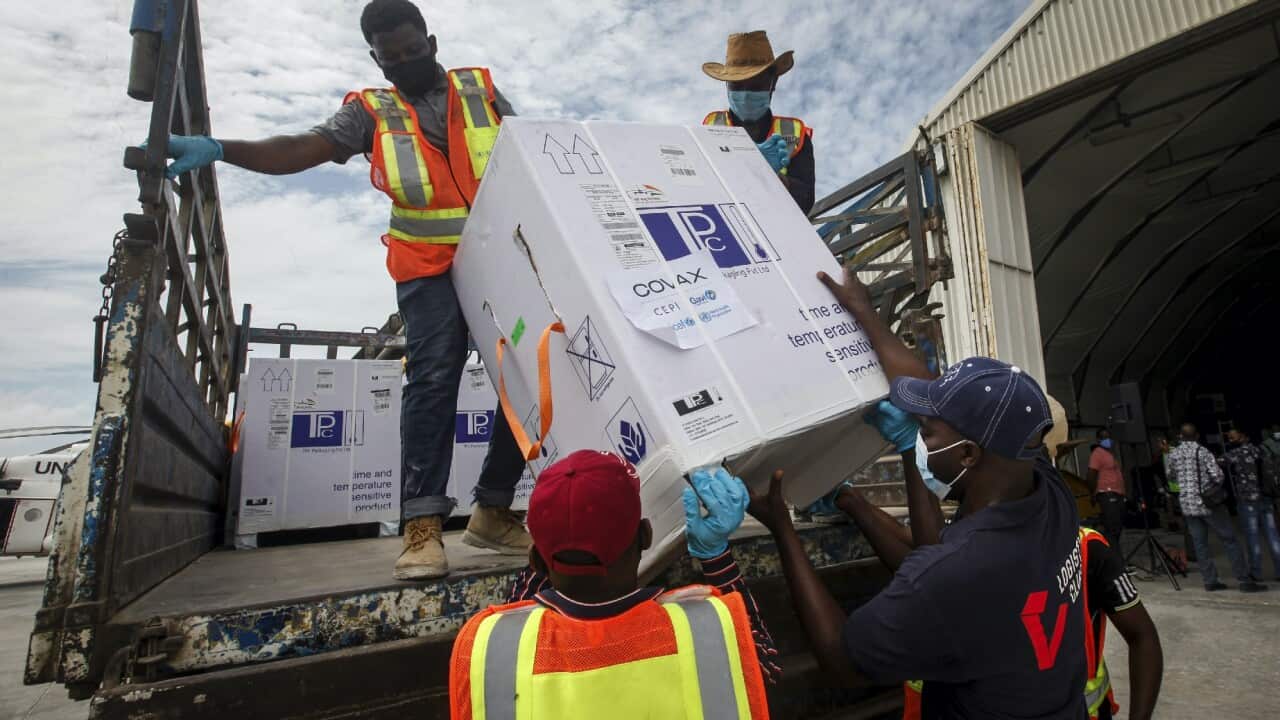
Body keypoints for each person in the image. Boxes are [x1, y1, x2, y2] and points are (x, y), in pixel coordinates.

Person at [153, 0, 530, 580]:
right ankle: (423, 526)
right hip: (428, 267)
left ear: (431, 40)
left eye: (413, 49)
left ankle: (494, 508)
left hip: (499, 259)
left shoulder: (479, 89)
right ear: (377, 61)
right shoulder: (370, 112)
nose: (405, 62)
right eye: (392, 57)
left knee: (523, 376)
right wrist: (223, 149)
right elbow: (304, 148)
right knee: (434, 379)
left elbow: (525, 154)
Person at [747, 266, 1087, 719]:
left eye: (925, 431)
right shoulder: (1045, 488)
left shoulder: (958, 571)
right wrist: (864, 313)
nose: (919, 440)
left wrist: (782, 527)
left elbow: (842, 661)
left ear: (967, 455)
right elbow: (929, 389)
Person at [844, 407, 1163, 720]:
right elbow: (923, 556)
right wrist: (854, 503)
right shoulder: (987, 527)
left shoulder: (1081, 546)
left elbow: (1141, 635)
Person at [449, 450, 774, 718]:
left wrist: (556, 533)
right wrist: (715, 555)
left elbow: (517, 617)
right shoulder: (705, 629)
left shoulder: (491, 648)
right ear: (646, 536)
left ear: (535, 561)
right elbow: (760, 665)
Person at [702, 31, 816, 213]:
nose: (746, 94)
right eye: (737, 86)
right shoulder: (709, 127)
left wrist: (773, 176)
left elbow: (806, 202)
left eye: (756, 85)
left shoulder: (795, 134)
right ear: (726, 85)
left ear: (773, 83)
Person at [1166, 424, 1264, 592]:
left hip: (1188, 505)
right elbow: (1218, 476)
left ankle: (1210, 581)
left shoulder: (1174, 454)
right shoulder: (1202, 452)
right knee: (1229, 539)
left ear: (1181, 436)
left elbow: (1171, 475)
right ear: (1197, 436)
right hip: (1208, 503)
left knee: (1200, 543)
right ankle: (1244, 580)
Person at [1223, 429, 1280, 581]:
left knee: (1252, 537)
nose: (1230, 438)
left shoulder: (1238, 453)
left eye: (1233, 436)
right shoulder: (1262, 451)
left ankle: (1256, 572)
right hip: (1266, 498)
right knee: (1273, 536)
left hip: (1247, 500)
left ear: (1244, 436)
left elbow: (1218, 462)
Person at [1089, 429, 1127, 550]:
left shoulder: (1110, 453)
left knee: (1118, 526)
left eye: (1109, 437)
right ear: (1099, 440)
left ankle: (1114, 554)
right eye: (1104, 438)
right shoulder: (1097, 454)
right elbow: (1091, 475)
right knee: (1112, 527)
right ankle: (1113, 557)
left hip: (1118, 493)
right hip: (1107, 493)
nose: (1108, 440)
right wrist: (1092, 493)